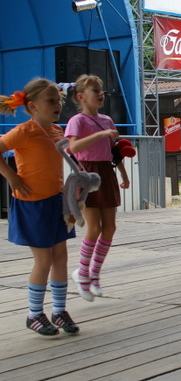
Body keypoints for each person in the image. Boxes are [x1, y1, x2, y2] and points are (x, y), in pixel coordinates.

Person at [0, 78, 79, 335]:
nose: (57, 105)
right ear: (33, 106)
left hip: (56, 202)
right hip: (33, 203)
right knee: (43, 260)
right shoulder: (24, 131)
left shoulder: (57, 131)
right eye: (50, 101)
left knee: (60, 257)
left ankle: (59, 311)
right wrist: (12, 177)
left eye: (59, 100)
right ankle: (34, 314)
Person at [65, 75, 130, 302]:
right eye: (95, 90)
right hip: (87, 173)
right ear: (81, 97)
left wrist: (123, 174)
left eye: (101, 90)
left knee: (110, 227)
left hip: (106, 172)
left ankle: (94, 273)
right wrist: (100, 134)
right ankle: (82, 273)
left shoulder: (107, 120)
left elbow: (113, 151)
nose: (101, 94)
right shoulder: (77, 120)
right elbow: (73, 147)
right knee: (94, 228)